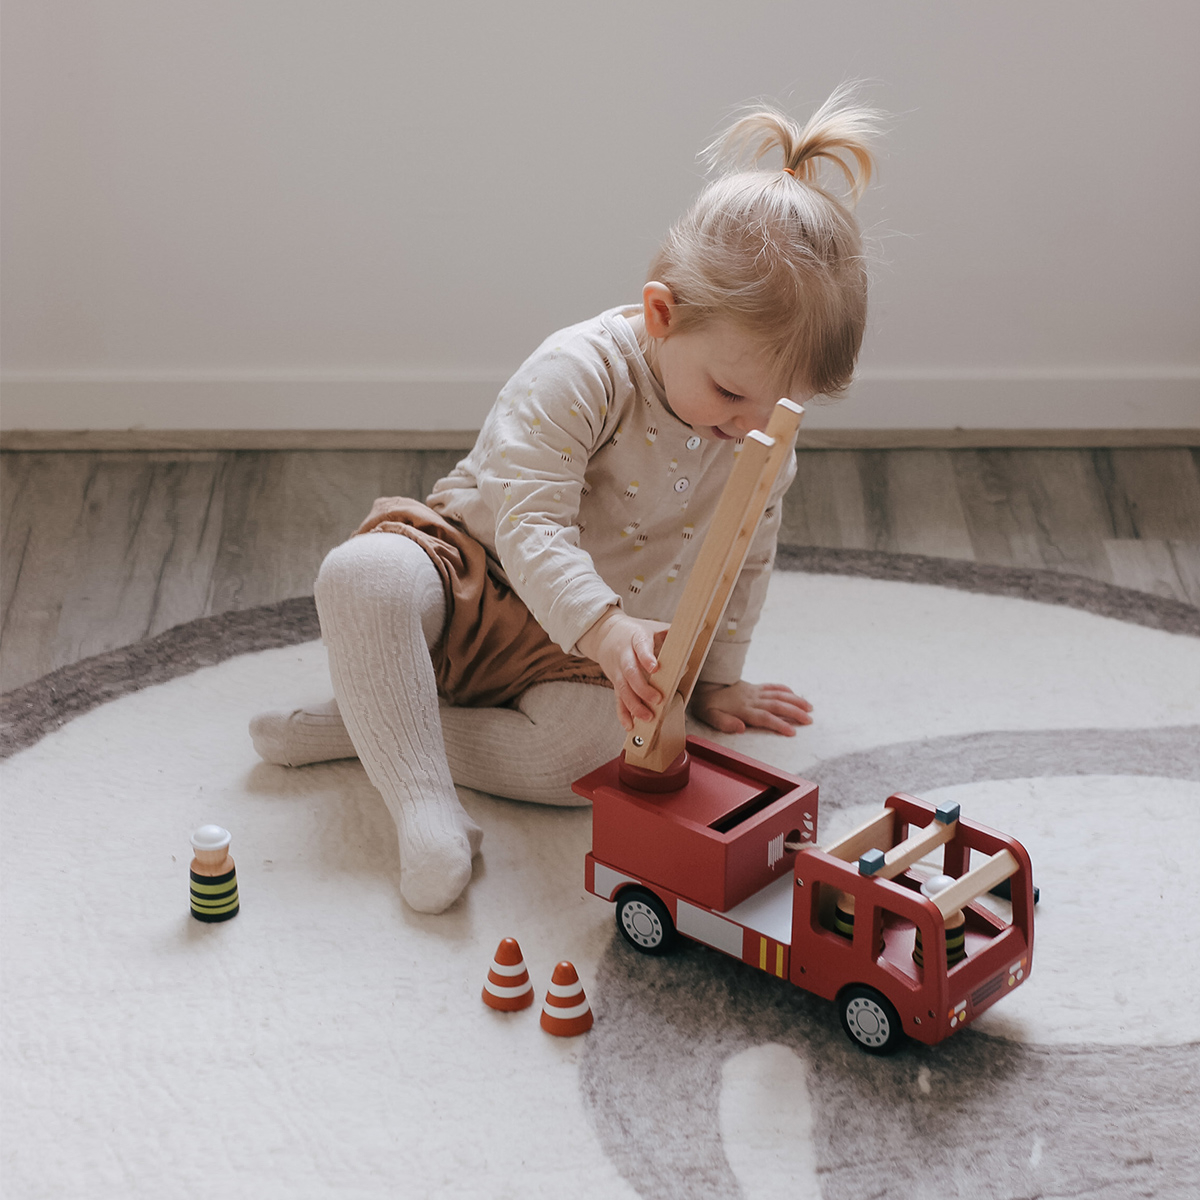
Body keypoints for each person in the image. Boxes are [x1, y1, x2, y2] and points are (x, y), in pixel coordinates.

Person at [250, 87, 880, 913]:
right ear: (661, 315)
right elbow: (530, 522)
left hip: (582, 650)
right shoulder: (580, 370)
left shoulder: (755, 433)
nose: (751, 428)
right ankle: (424, 808)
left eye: (778, 409)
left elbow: (744, 553)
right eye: (731, 393)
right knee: (360, 577)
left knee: (606, 757)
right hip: (477, 579)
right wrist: (609, 628)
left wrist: (718, 678)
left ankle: (366, 727)